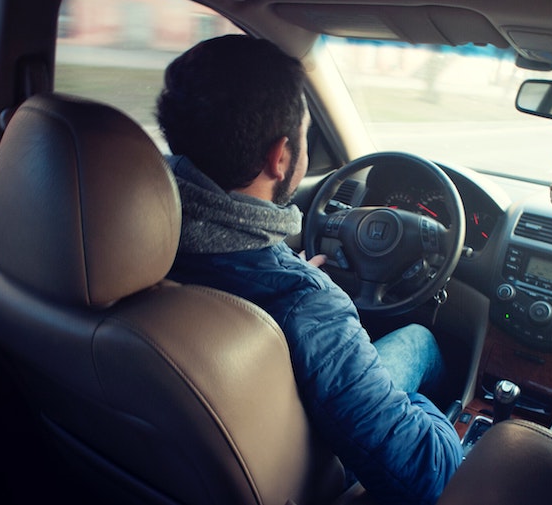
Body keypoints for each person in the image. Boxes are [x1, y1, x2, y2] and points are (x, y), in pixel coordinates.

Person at [156, 34, 463, 504]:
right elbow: (426, 475)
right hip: (311, 461)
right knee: (421, 342)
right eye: (304, 137)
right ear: (280, 157)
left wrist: (293, 277)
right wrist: (418, 408)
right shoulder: (307, 305)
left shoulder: (131, 237)